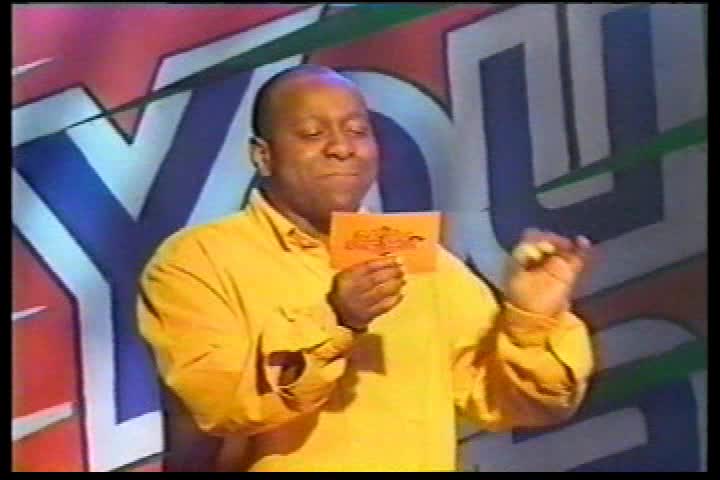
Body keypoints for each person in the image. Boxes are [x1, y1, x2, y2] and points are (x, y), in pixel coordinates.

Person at [137, 64, 595, 472]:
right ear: (263, 156)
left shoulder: (419, 260)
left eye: (357, 130)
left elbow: (521, 403)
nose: (342, 148)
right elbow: (218, 405)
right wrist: (336, 321)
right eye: (312, 134)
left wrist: (530, 320)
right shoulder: (197, 261)